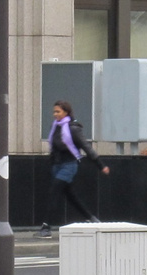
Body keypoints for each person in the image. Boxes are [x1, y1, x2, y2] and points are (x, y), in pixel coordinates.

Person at [37, 99, 108, 238]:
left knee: (54, 193)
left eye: (58, 111)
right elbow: (54, 148)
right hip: (56, 166)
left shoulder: (73, 128)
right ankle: (91, 218)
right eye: (54, 111)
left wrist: (101, 165)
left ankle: (46, 227)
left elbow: (87, 147)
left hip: (69, 165)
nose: (55, 114)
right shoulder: (56, 127)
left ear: (66, 112)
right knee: (71, 195)